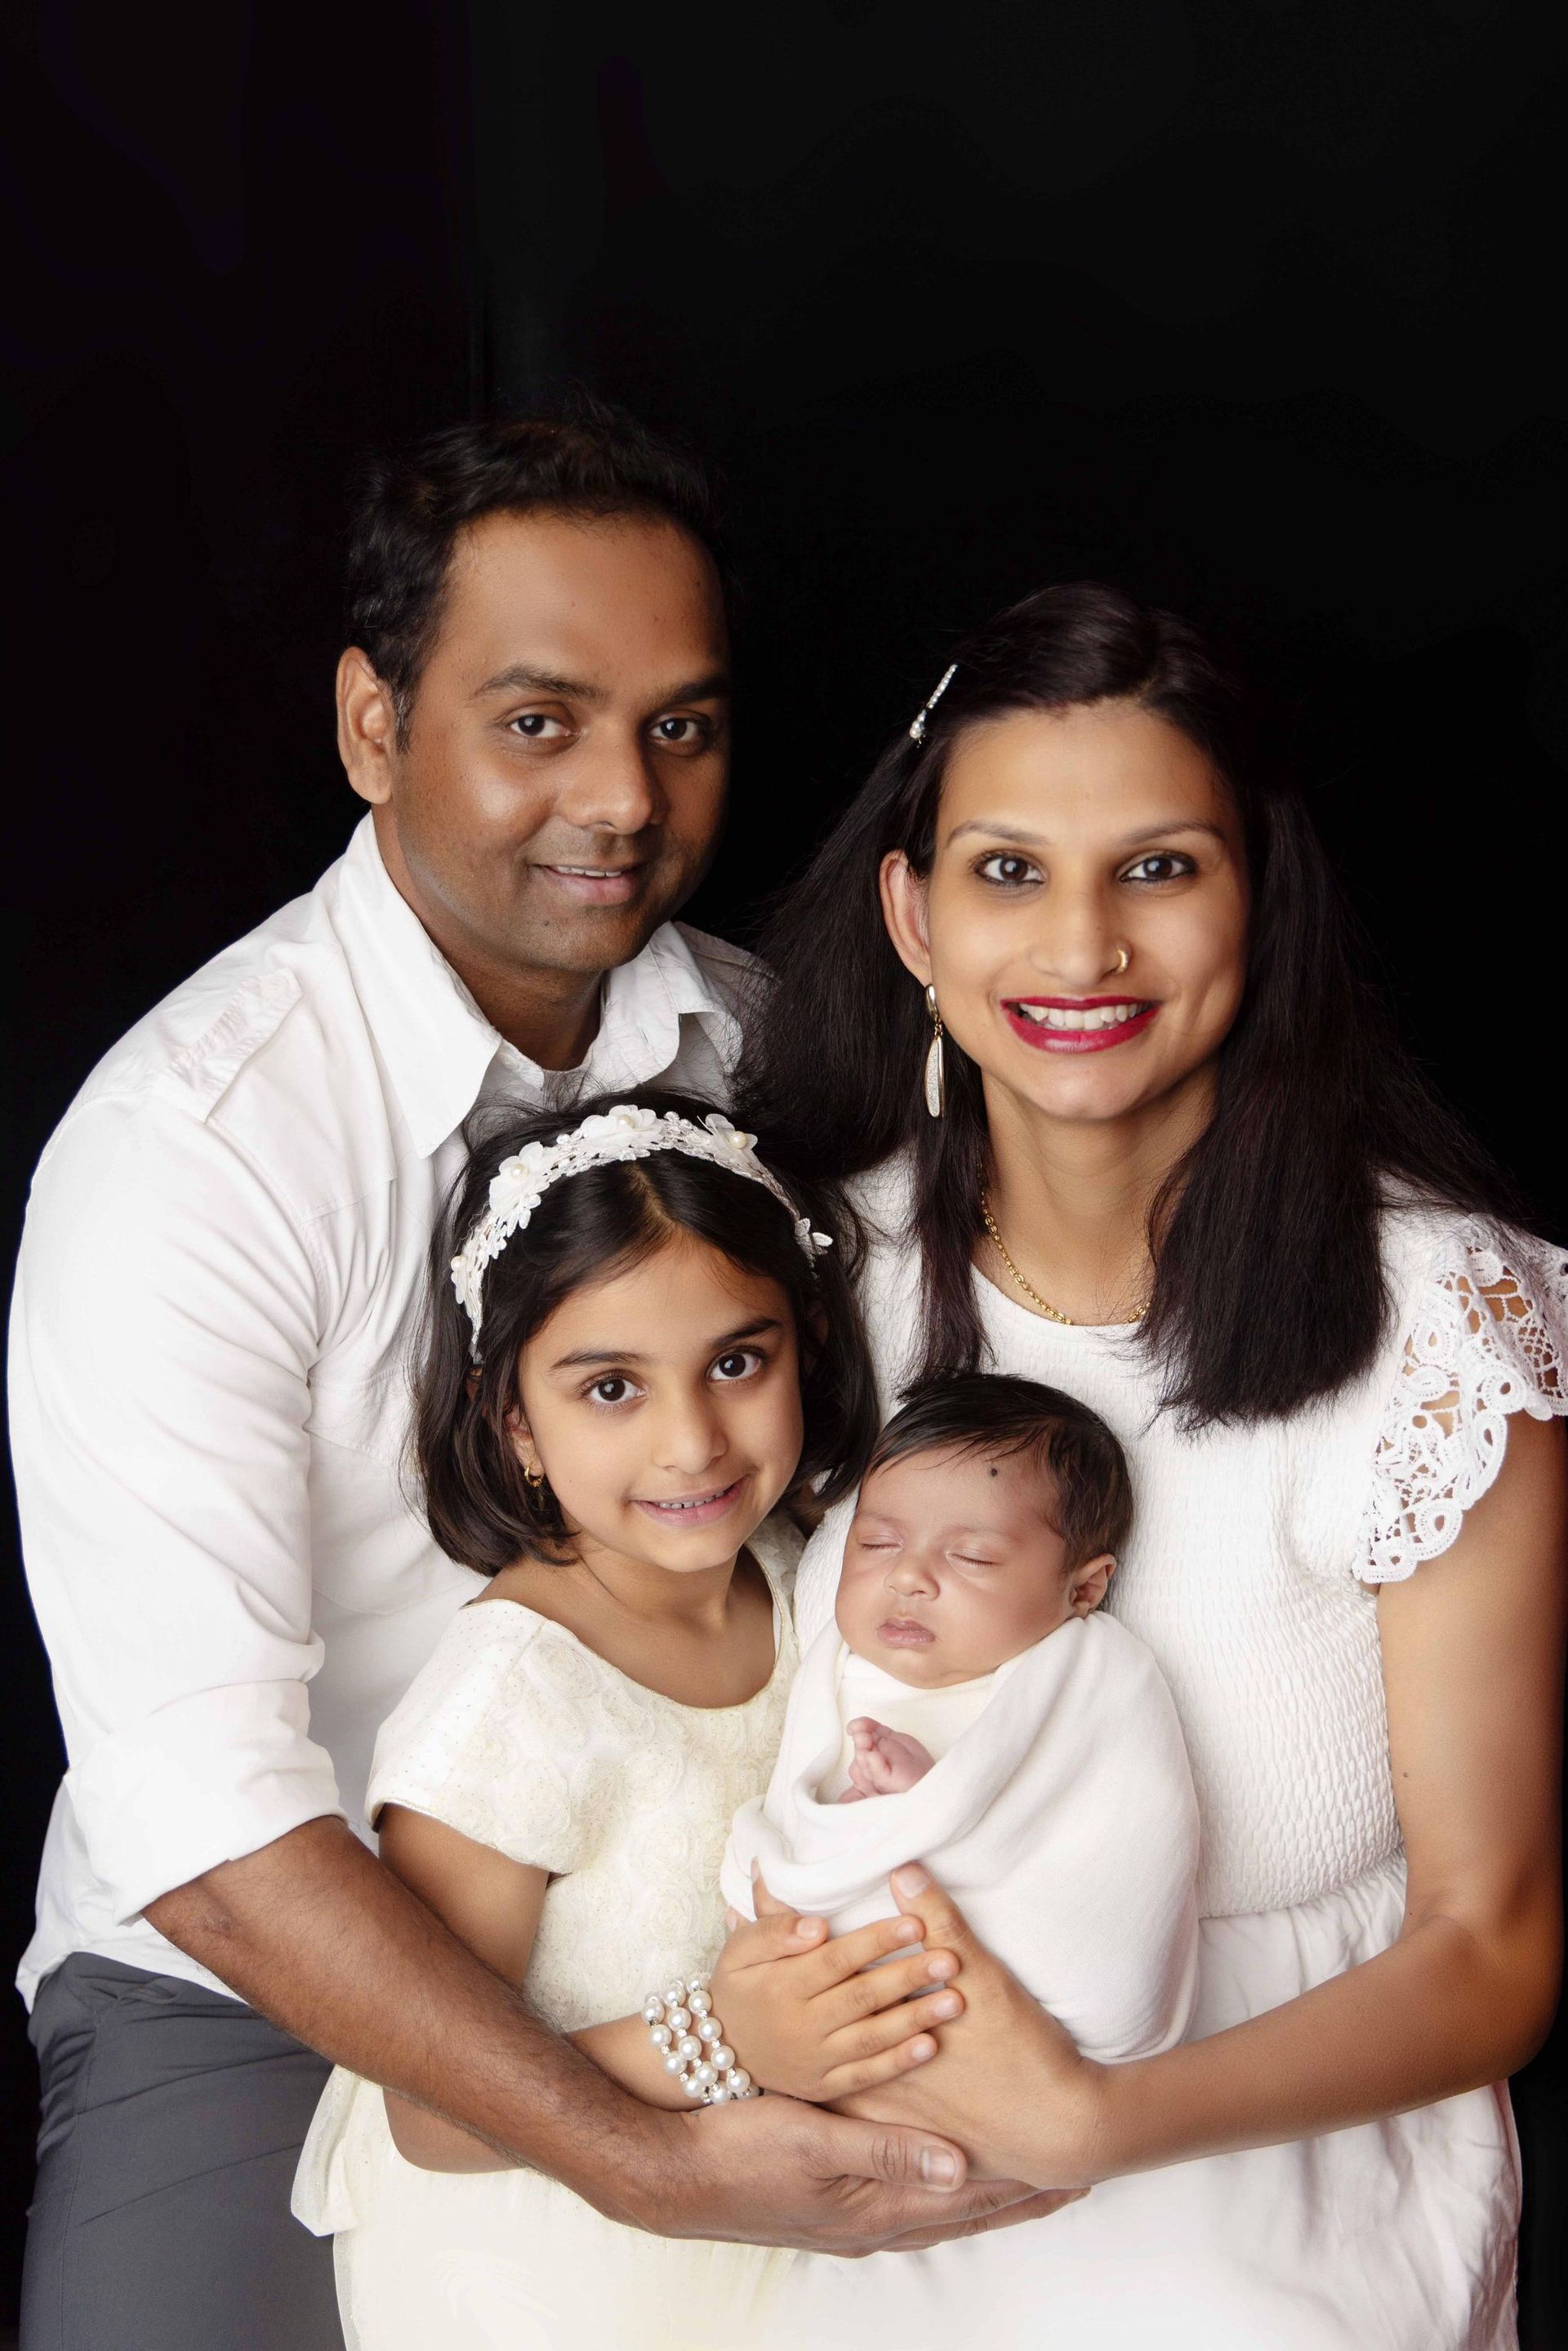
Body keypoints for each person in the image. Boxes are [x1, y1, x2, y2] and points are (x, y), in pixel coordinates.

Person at [9, 407, 1034, 2351]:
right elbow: (197, 1802)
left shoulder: (769, 1057)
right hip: (250, 1995)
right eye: (540, 720)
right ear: (374, 727)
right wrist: (627, 2140)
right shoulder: (193, 1146)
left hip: (711, 1914)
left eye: (682, 725)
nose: (626, 801)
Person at [734, 582, 1568, 2349]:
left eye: (1162, 867)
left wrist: (1099, 2120)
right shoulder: (804, 1282)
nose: (1084, 947)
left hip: (1274, 2184)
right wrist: (753, 2017)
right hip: (873, 2160)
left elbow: (1493, 1945)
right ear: (914, 913)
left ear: (1258, 895)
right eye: (1011, 871)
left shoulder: (1440, 1315)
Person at [292, 1090, 973, 2347]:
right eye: (611, 1386)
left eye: (735, 1360)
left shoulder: (801, 1569)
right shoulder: (513, 1696)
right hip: (540, 2259)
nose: (692, 1441)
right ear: (517, 1424)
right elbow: (433, 2110)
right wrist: (727, 2038)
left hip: (768, 2241)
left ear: (804, 1344)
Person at [722, 1371, 1198, 2344]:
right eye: (878, 1541)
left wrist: (925, 1799)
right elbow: (789, 1818)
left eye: (972, 1554)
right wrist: (833, 1838)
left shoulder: (1090, 1672)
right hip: (858, 2020)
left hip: (1037, 2013)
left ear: (1083, 1587)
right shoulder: (840, 1669)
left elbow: (1100, 1831)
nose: (909, 1576)